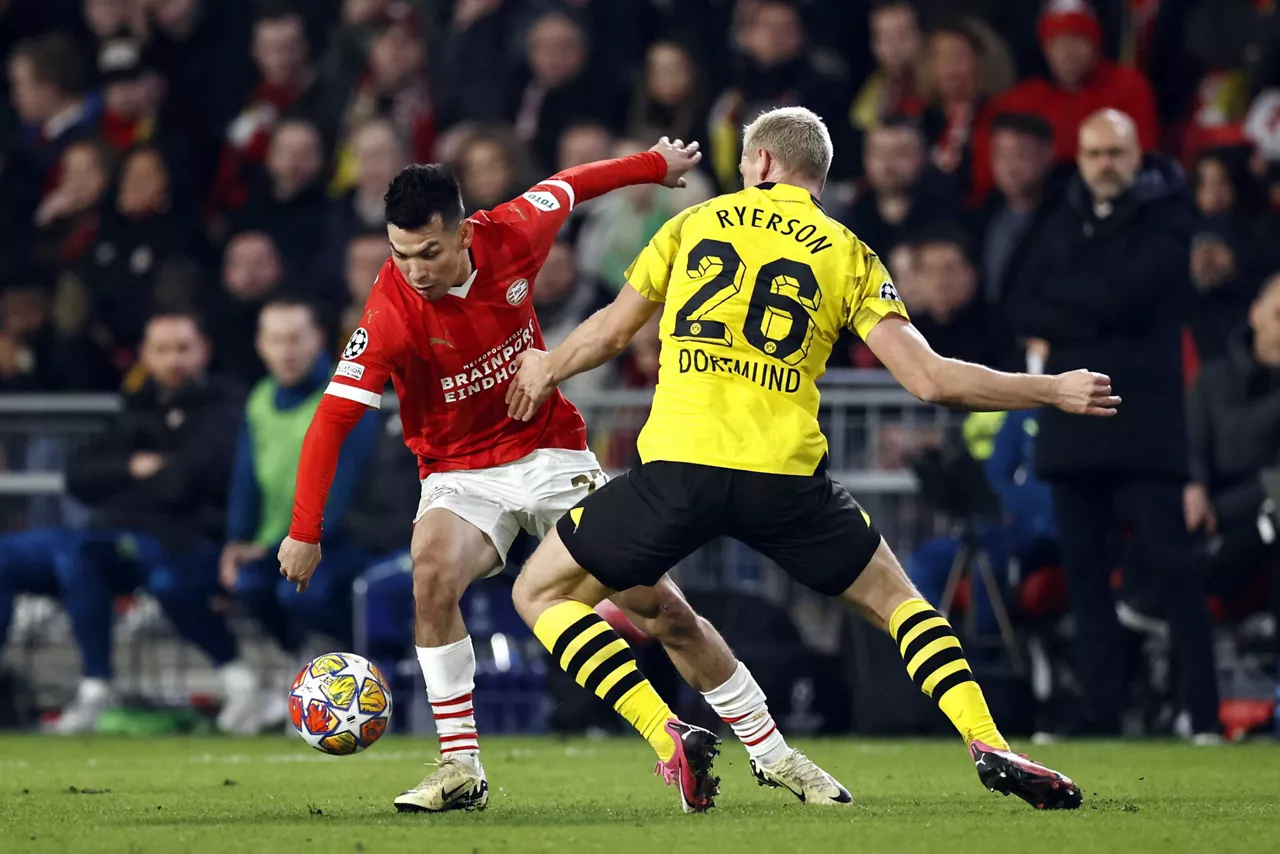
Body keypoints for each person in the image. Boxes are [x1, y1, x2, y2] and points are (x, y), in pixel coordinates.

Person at [503, 107, 1116, 813]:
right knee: (899, 603)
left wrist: (546, 368)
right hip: (784, 479)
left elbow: (611, 333)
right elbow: (931, 380)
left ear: (761, 162)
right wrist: (1050, 389)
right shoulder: (848, 252)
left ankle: (663, 727)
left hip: (676, 471)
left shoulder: (693, 224)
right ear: (815, 173)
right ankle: (986, 740)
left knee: (540, 592)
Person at [276, 138, 849, 813]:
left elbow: (572, 182)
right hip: (461, 474)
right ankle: (460, 765)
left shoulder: (513, 230)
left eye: (429, 253)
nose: (415, 270)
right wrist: (303, 530)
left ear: (462, 231)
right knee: (430, 577)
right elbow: (332, 421)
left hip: (552, 455)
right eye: (401, 256)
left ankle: (775, 754)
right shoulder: (390, 311)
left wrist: (654, 166)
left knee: (660, 609)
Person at [1007, 109, 1221, 739]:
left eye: (1116, 153)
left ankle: (1201, 712)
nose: (1105, 164)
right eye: (1095, 152)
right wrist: (1098, 304)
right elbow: (1017, 298)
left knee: (1175, 573)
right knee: (1086, 579)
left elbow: (1131, 294)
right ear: (1079, 156)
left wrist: (1068, 303)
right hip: (1073, 432)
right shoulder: (1057, 213)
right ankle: (1100, 712)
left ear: (1137, 155)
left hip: (1146, 430)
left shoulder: (1170, 215)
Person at [214, 296, 381, 733]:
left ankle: (363, 674)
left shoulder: (347, 397)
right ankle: (307, 678)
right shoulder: (260, 399)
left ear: (318, 341)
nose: (286, 351)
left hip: (342, 540)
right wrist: (236, 540)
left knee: (297, 595)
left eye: (295, 339)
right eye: (276, 340)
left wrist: (274, 545)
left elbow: (343, 490)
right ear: (260, 345)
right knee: (249, 586)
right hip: (278, 542)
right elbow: (245, 479)